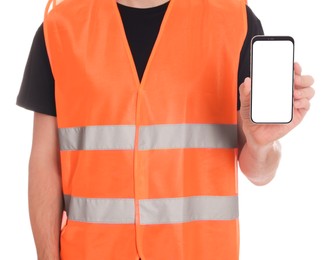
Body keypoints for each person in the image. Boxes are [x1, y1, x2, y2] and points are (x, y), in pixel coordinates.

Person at [16, 0, 315, 259]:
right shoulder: (60, 27)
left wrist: (261, 144)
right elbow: (44, 160)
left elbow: (259, 173)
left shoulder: (234, 21)